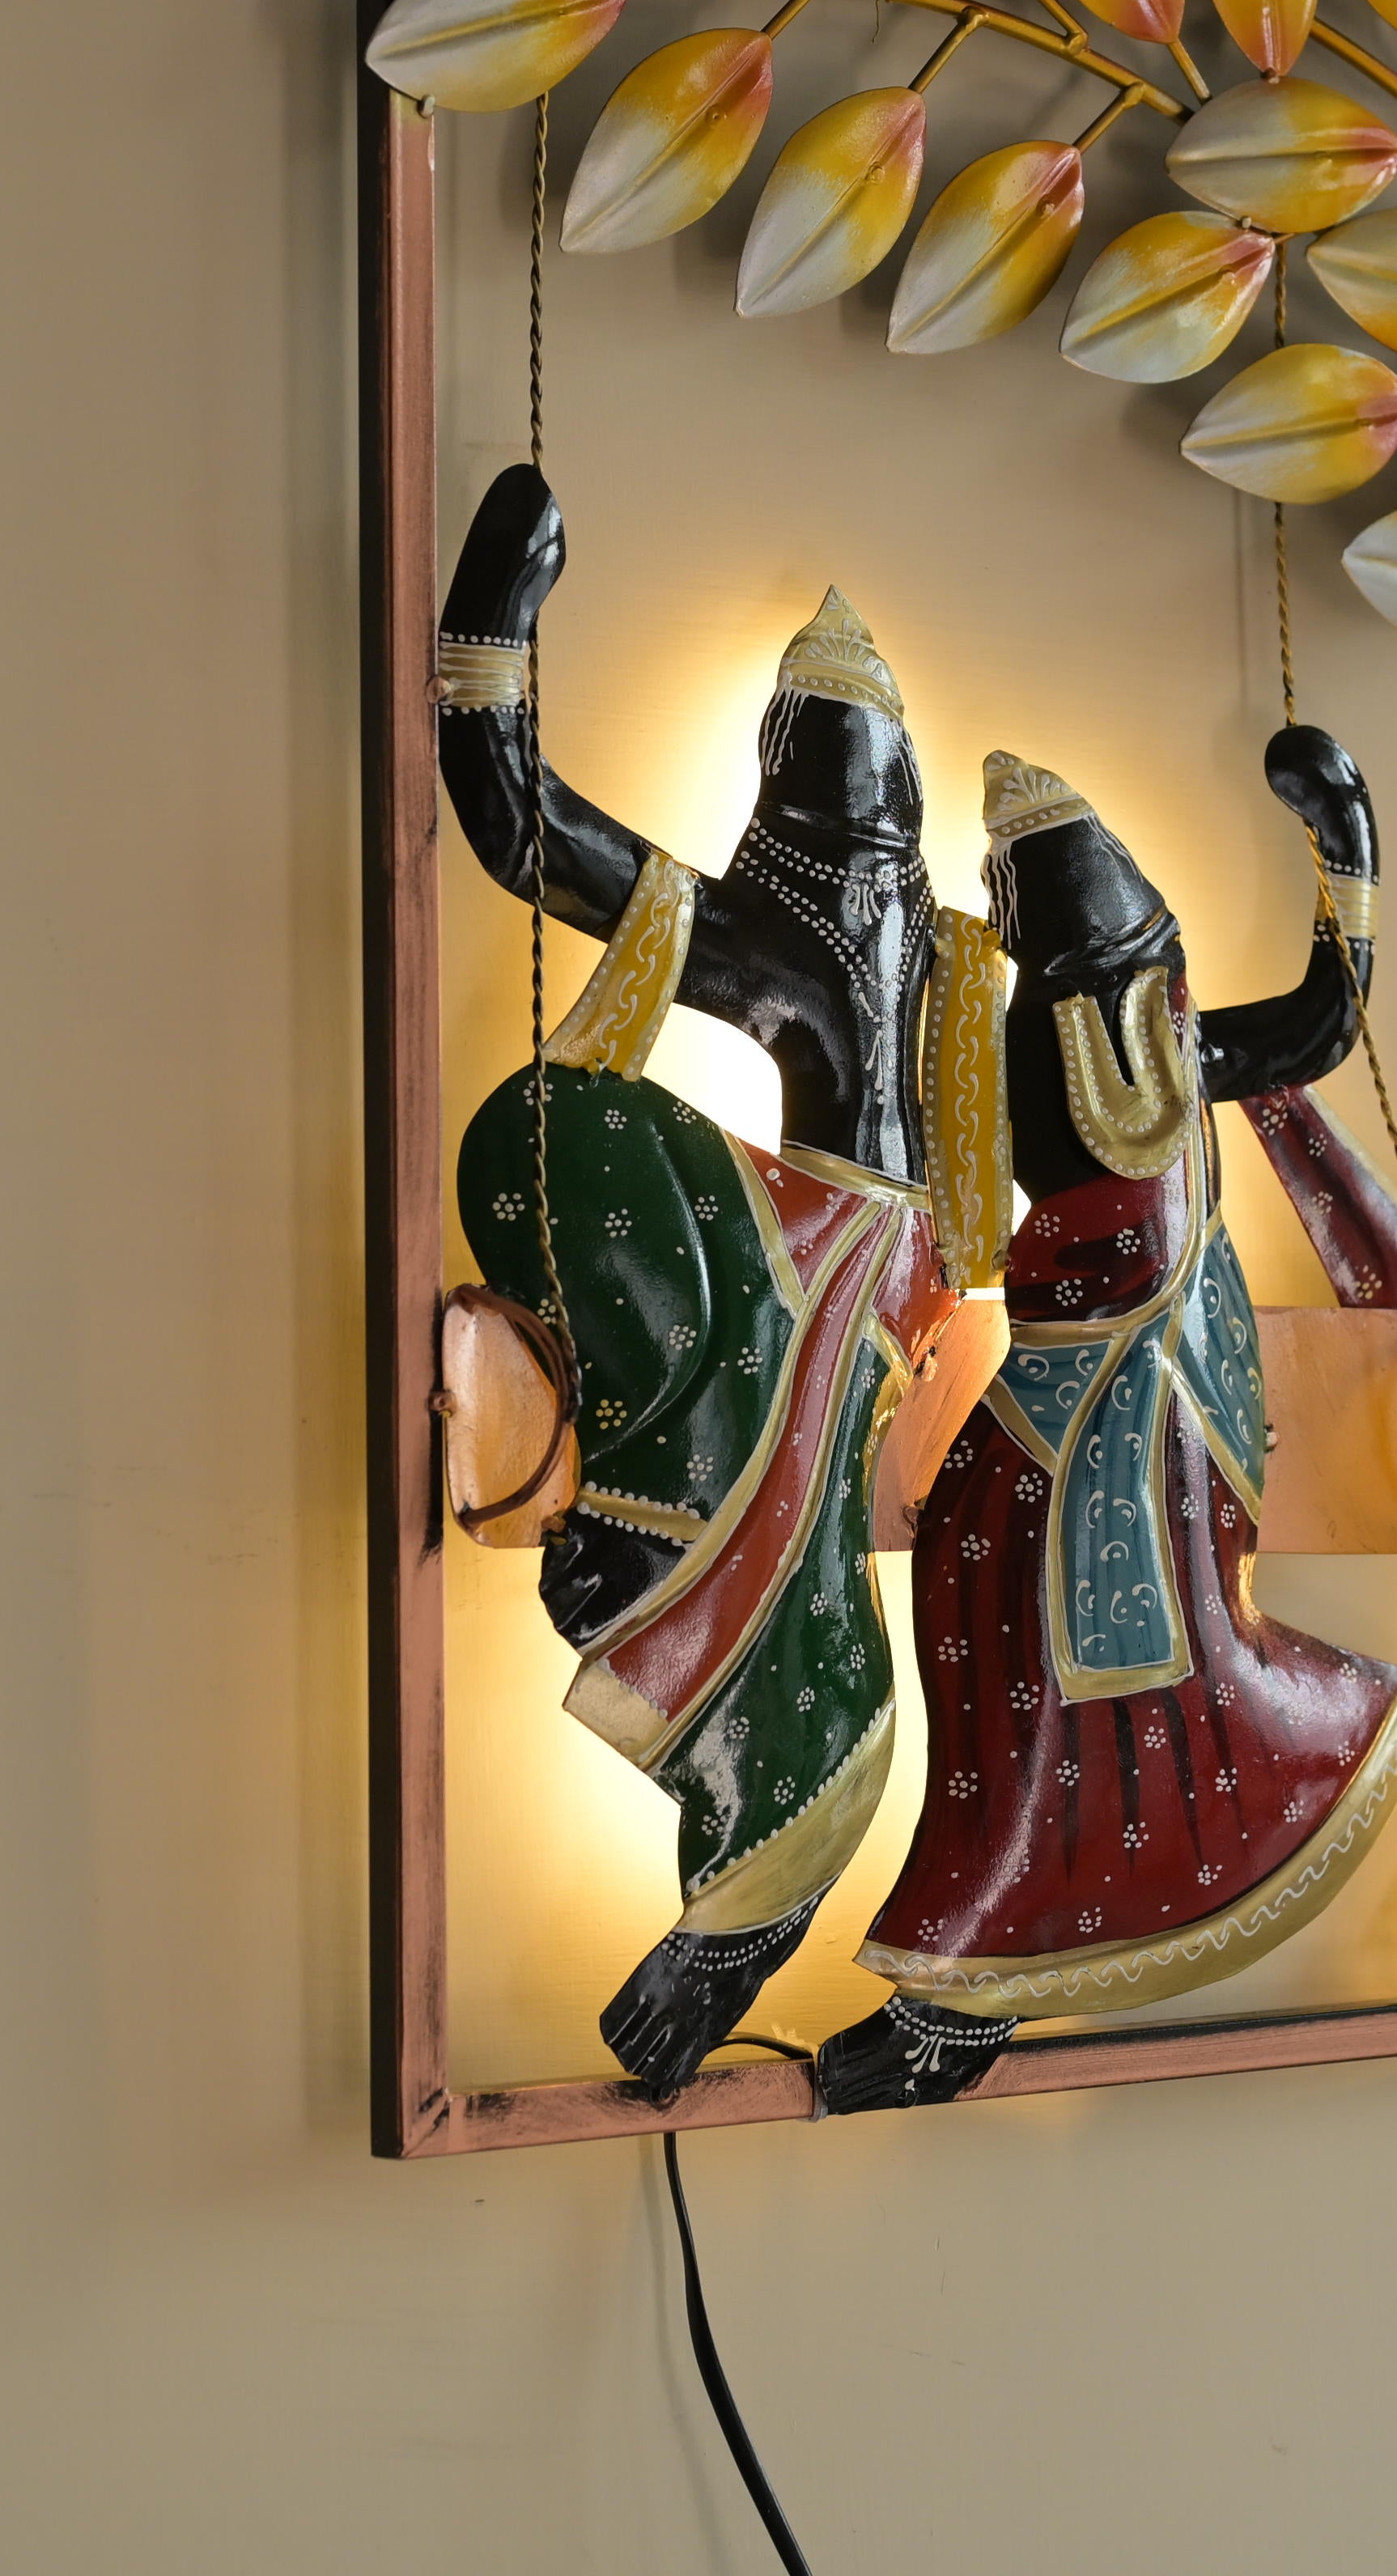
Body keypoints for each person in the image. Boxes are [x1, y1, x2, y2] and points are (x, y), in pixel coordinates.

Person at [435, 465, 1002, 2095]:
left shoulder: (931, 953)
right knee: (574, 1148)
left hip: (873, 1283)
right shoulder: (809, 932)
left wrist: (496, 634)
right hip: (853, 1265)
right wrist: (490, 630)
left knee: (784, 1502)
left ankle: (772, 1804)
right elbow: (519, 820)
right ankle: (772, 1800)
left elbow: (521, 816)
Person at [817, 737, 1397, 2113]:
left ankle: (974, 1976)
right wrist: (1341, 836)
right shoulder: (1068, 1038)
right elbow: (1323, 1017)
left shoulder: (1135, 1039)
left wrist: (1346, 837)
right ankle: (973, 1962)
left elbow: (1326, 1023)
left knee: (1047, 1617)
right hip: (1078, 1382)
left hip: (1158, 1395)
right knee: (978, 1581)